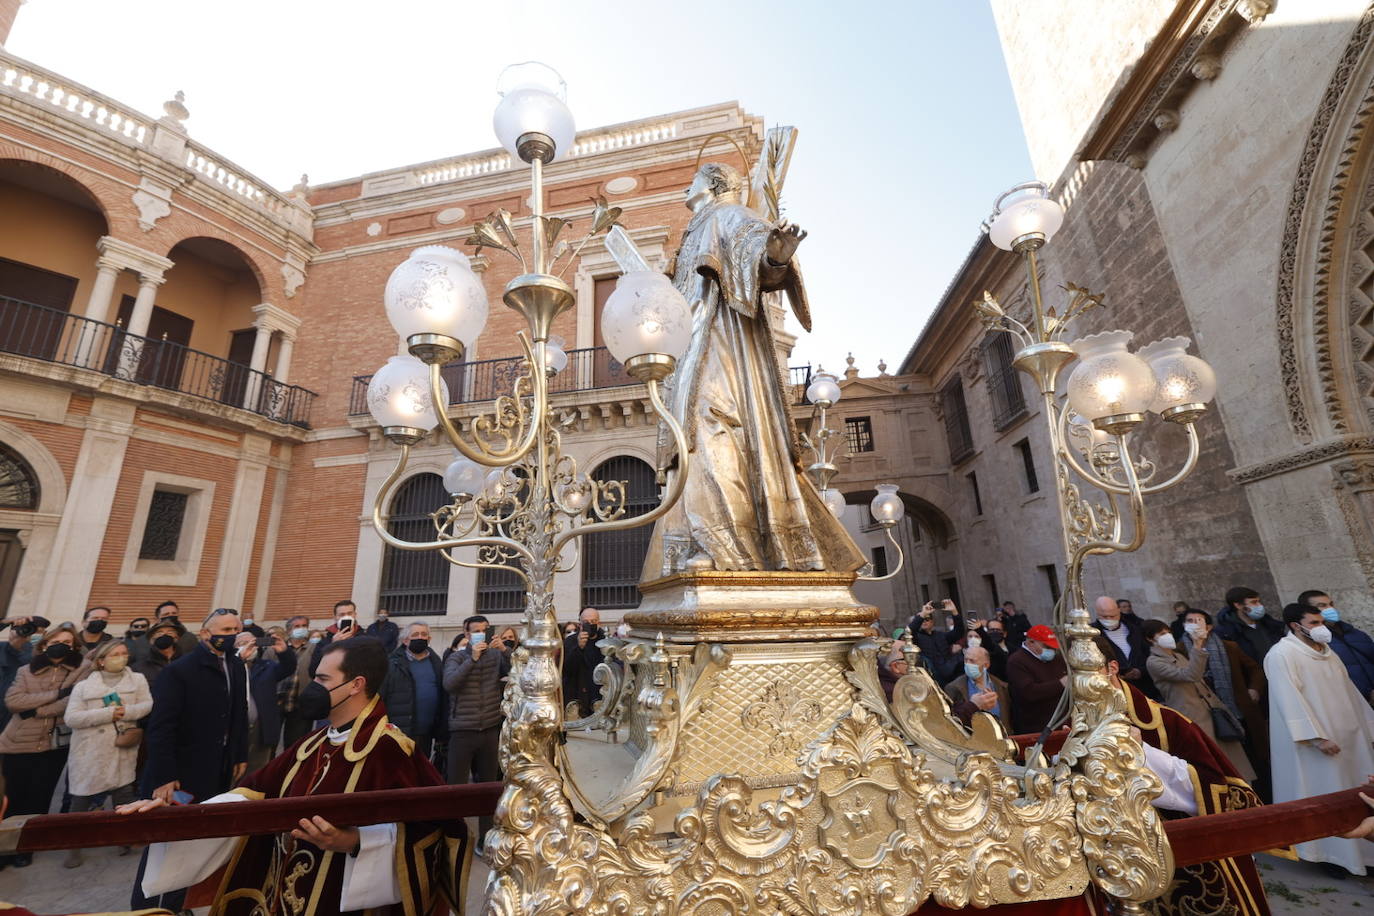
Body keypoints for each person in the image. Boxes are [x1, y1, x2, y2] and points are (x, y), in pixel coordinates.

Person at [124, 636, 468, 914]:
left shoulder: (392, 749)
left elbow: (433, 831)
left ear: (355, 684)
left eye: (322, 679)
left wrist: (356, 842)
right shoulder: (311, 743)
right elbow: (250, 793)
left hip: (339, 898)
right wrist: (177, 818)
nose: (312, 687)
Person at [644, 160, 865, 575]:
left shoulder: (731, 214)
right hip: (688, 352)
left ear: (712, 185)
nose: (685, 187)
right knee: (691, 441)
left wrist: (775, 257)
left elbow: (758, 260)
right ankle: (702, 538)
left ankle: (730, 547)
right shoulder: (692, 231)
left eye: (692, 179)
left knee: (713, 428)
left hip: (720, 343)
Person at [1090, 634, 1271, 915]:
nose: (1076, 683)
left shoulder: (1168, 723)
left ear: (1111, 668)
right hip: (1118, 862)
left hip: (1184, 859)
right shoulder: (1073, 725)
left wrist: (1141, 753)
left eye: (1085, 670)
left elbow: (1214, 786)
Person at [132, 608, 248, 910]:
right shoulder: (179, 671)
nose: (231, 634)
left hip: (216, 769)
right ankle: (149, 908)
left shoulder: (235, 664)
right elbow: (161, 728)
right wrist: (164, 776)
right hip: (179, 774)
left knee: (196, 844)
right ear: (205, 634)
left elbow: (237, 714)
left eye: (236, 628)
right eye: (225, 629)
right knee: (165, 848)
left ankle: (182, 902)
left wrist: (239, 754)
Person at [1265, 602, 1374, 876]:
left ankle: (1365, 853)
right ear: (1295, 625)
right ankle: (1331, 856)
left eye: (1320, 622)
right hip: (1319, 745)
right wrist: (1316, 737)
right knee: (1325, 795)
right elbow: (1287, 698)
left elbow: (1349, 691)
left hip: (1350, 737)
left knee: (1357, 791)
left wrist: (1369, 726)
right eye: (1314, 623)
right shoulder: (1282, 654)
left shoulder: (1328, 652)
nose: (1321, 628)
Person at [61, 639, 151, 867]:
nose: (121, 657)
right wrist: (108, 714)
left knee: (124, 799)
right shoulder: (83, 686)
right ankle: (73, 846)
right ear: (101, 661)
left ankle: (126, 839)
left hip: (121, 748)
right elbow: (71, 718)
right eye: (114, 654)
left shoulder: (137, 679)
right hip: (90, 751)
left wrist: (126, 711)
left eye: (123, 653)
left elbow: (146, 705)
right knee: (80, 801)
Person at [0, 625, 83, 867]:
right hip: (17, 742)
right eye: (57, 640)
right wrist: (56, 693)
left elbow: (70, 702)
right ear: (44, 644)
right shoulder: (26, 670)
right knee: (12, 798)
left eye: (68, 642)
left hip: (53, 744)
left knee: (39, 798)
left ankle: (26, 847)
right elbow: (13, 701)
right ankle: (5, 848)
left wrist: (34, 709)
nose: (62, 645)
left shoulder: (79, 671)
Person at [1142, 618, 1255, 781]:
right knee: (1214, 762)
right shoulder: (1154, 662)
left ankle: (1244, 790)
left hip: (1212, 712)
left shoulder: (1179, 656)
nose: (1167, 636)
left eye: (1168, 632)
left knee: (1234, 760)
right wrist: (1197, 646)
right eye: (1161, 634)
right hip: (1193, 716)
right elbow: (1190, 675)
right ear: (1150, 639)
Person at [1180, 608, 1270, 798]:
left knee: (1255, 756)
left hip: (1237, 708)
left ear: (1210, 626)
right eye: (1189, 620)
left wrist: (1253, 689)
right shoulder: (1179, 650)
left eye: (1198, 620)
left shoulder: (1229, 646)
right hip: (1207, 713)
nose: (1193, 624)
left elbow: (1255, 669)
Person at [444, 614, 509, 846]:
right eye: (476, 631)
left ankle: (486, 838)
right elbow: (450, 684)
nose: (481, 634)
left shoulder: (494, 656)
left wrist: (505, 651)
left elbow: (517, 674)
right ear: (468, 634)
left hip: (490, 729)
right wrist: (471, 659)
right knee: (457, 787)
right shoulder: (456, 657)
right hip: (462, 730)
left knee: (488, 788)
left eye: (485, 629)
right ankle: (455, 837)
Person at [381, 621, 447, 758]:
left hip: (427, 732)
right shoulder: (392, 664)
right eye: (415, 634)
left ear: (429, 639)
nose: (420, 637)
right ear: (405, 640)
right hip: (400, 730)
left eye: (424, 634)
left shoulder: (436, 662)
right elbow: (382, 695)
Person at [1299, 589, 1374, 702]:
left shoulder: (1357, 634)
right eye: (1322, 605)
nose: (1330, 609)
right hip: (1353, 702)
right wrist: (1365, 694)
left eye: (1331, 604)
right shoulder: (1314, 643)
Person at [235, 630, 294, 773]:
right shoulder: (229, 666)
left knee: (257, 769)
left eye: (253, 643)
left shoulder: (267, 666)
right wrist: (239, 660)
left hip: (261, 728)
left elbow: (288, 668)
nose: (249, 646)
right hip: (236, 727)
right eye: (243, 643)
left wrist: (284, 652)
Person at [1090, 595, 1158, 700]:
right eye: (1104, 616)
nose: (1109, 619)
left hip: (1145, 689)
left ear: (1119, 611)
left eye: (1112, 616)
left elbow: (1149, 654)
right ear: (1097, 614)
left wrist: (1141, 671)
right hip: (1115, 692)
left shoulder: (1135, 629)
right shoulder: (1093, 634)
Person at [1005, 624, 1067, 735]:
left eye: (1053, 647)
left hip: (1060, 723)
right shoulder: (1016, 661)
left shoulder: (1056, 659)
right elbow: (1029, 692)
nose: (1051, 650)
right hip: (1034, 727)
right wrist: (1060, 684)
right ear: (1030, 643)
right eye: (1046, 647)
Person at [944, 645, 1012, 731]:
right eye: (966, 660)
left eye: (972, 661)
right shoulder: (953, 688)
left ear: (986, 665)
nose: (968, 664)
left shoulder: (1001, 687)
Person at [1216, 586, 1284, 665]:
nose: (1259, 605)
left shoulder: (1270, 624)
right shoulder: (1228, 632)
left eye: (1259, 601)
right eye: (1254, 602)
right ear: (1238, 605)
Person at [278, 614, 317, 747]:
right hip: (277, 701)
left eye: (304, 626)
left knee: (295, 745)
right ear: (289, 630)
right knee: (269, 745)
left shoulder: (314, 648)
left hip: (301, 703)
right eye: (297, 626)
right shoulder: (276, 648)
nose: (301, 629)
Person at [0, 615, 43, 731]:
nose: (24, 632)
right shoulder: (2, 647)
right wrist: (4, 621)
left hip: (15, 719)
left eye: (31, 629)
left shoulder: (41, 656)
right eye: (19, 628)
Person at [562, 607, 606, 718]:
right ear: (580, 624)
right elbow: (567, 668)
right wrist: (579, 647)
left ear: (599, 623)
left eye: (593, 621)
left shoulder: (605, 640)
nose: (590, 624)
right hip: (577, 695)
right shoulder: (571, 641)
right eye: (586, 622)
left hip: (599, 694)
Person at [909, 601, 964, 683]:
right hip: (932, 677)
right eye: (921, 619)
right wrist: (923, 614)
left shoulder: (941, 635)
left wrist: (954, 611)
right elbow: (910, 631)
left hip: (951, 675)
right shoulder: (916, 637)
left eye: (927, 619)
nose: (924, 621)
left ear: (932, 621)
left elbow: (959, 632)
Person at [309, 600, 361, 676]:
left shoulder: (365, 638)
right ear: (335, 617)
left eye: (350, 613)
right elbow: (313, 671)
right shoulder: (325, 641)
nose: (346, 617)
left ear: (355, 615)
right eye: (342, 615)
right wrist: (332, 646)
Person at [132, 619, 182, 696]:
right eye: (159, 632)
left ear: (177, 638)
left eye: (170, 632)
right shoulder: (139, 668)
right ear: (151, 640)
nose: (165, 634)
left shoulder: (189, 663)